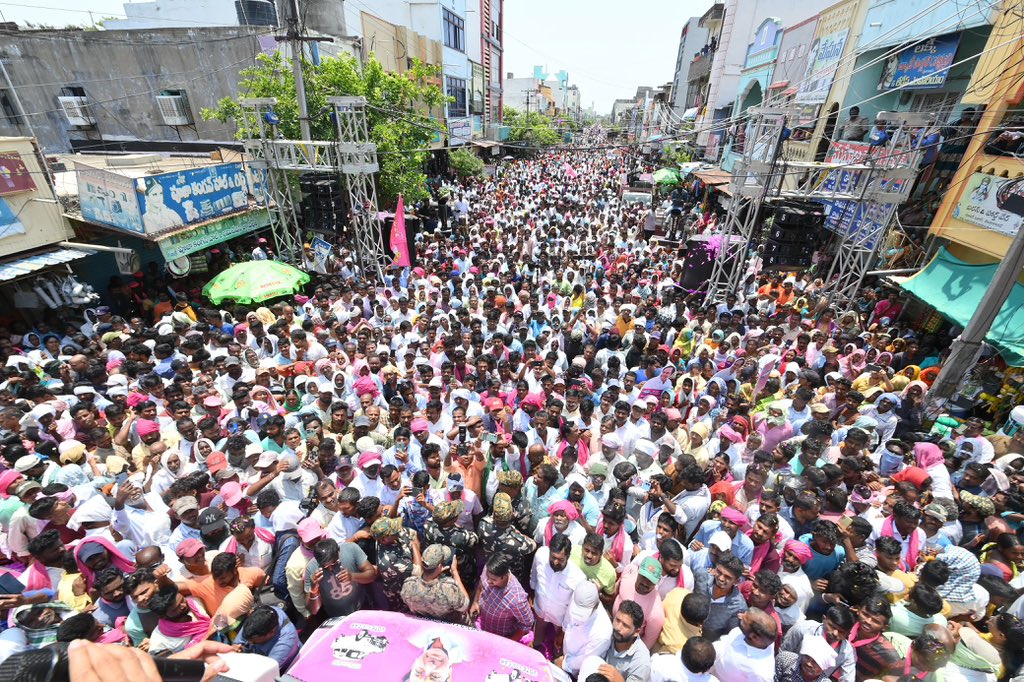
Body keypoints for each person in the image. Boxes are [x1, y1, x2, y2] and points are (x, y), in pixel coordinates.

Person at [400, 543, 470, 624]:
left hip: (424, 623)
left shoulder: (408, 585)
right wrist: (454, 572)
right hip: (450, 626)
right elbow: (465, 606)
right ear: (440, 566)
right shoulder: (448, 588)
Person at [470, 554, 533, 641]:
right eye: (487, 577)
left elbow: (526, 624)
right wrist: (475, 602)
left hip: (500, 636)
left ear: (504, 576)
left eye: (493, 580)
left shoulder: (517, 598)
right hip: (482, 625)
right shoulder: (488, 569)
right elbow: (481, 583)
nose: (488, 581)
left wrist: (507, 642)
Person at [597, 599, 651, 682]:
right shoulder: (607, 632)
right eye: (617, 620)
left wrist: (619, 680)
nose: (618, 627)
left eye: (625, 625)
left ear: (636, 632)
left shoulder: (641, 662)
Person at [234, 605, 299, 671]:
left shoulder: (284, 645)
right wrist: (237, 646)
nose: (249, 642)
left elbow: (262, 671)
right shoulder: (264, 613)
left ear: (271, 632)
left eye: (254, 642)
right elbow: (238, 643)